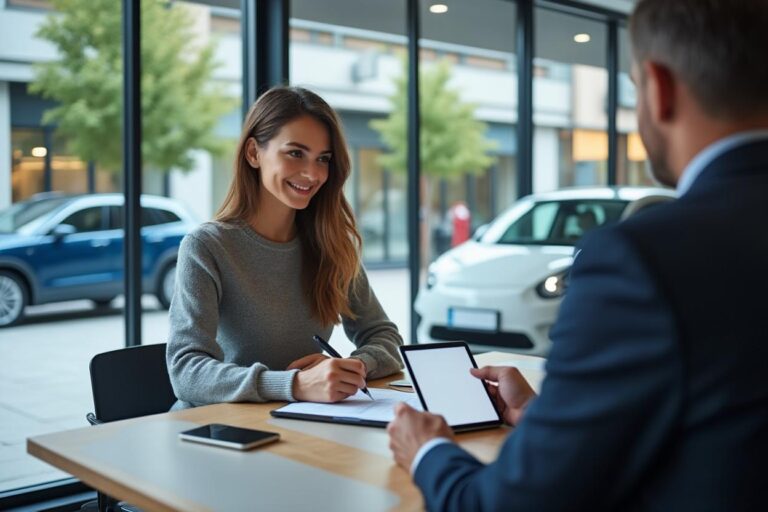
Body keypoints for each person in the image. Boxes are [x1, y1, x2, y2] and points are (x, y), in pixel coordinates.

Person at [387, 0, 768, 509]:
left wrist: (428, 451)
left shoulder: (641, 259)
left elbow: (508, 505)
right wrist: (555, 418)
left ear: (658, 88)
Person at [167, 86, 403, 408]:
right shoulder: (207, 247)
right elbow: (186, 371)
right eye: (295, 153)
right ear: (253, 153)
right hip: (220, 427)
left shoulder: (332, 245)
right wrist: (294, 384)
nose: (313, 173)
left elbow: (385, 337)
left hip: (303, 422)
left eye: (323, 159)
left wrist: (352, 368)